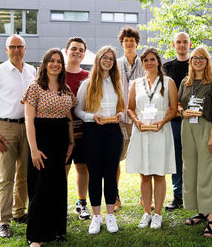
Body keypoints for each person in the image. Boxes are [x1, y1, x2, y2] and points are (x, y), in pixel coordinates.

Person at [0, 35, 36, 238]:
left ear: (25, 48)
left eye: (19, 47)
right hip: (5, 128)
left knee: (24, 174)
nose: (16, 50)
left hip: (28, 127)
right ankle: (4, 221)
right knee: (6, 177)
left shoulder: (32, 71)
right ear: (6, 50)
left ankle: (19, 212)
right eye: (12, 47)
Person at [22, 49, 76, 246]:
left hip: (61, 141)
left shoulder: (66, 89)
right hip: (42, 139)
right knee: (40, 187)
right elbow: (29, 121)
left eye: (59, 61)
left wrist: (71, 142)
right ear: (44, 65)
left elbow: (69, 117)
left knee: (58, 186)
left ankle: (56, 229)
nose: (55, 64)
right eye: (51, 61)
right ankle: (36, 237)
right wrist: (34, 150)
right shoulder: (34, 87)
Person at [75, 46, 125, 235]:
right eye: (105, 57)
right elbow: (78, 110)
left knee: (111, 174)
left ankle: (110, 215)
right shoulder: (86, 84)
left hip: (113, 131)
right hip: (93, 131)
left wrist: (119, 114)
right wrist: (92, 117)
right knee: (94, 174)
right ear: (98, 59)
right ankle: (96, 216)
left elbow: (121, 106)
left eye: (111, 59)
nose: (108, 61)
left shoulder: (116, 83)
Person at [178, 46, 212, 237]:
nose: (198, 60)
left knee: (209, 171)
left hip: (207, 127)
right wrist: (182, 112)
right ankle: (201, 210)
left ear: (207, 61)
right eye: (194, 58)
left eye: (202, 58)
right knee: (192, 170)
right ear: (190, 61)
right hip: (188, 128)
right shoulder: (186, 81)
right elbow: (178, 105)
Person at [126, 47, 177, 229]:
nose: (149, 63)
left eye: (152, 59)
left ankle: (157, 214)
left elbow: (173, 108)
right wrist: (136, 121)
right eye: (146, 60)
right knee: (144, 175)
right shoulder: (136, 83)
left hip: (160, 131)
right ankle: (146, 212)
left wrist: (162, 122)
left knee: (159, 173)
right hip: (141, 131)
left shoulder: (168, 82)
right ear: (142, 63)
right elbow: (130, 108)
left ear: (158, 61)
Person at [116, 26, 145, 211]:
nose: (129, 43)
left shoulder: (145, 63)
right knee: (115, 159)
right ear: (122, 43)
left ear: (136, 43)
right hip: (119, 118)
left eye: (132, 40)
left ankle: (145, 197)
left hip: (139, 118)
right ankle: (115, 196)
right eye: (126, 40)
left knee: (143, 158)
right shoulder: (115, 63)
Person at [162, 32, 191, 211]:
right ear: (174, 45)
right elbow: (162, 93)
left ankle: (191, 195)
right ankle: (178, 196)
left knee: (192, 159)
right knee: (176, 161)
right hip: (173, 120)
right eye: (178, 42)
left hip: (194, 119)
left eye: (185, 42)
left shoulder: (196, 64)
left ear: (190, 44)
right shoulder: (166, 67)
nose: (181, 45)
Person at [64, 37, 91, 220]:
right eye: (74, 49)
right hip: (61, 131)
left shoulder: (88, 77)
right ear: (66, 51)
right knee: (63, 168)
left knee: (82, 167)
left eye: (81, 50)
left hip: (83, 130)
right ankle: (60, 204)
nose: (77, 52)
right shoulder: (57, 73)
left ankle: (81, 204)